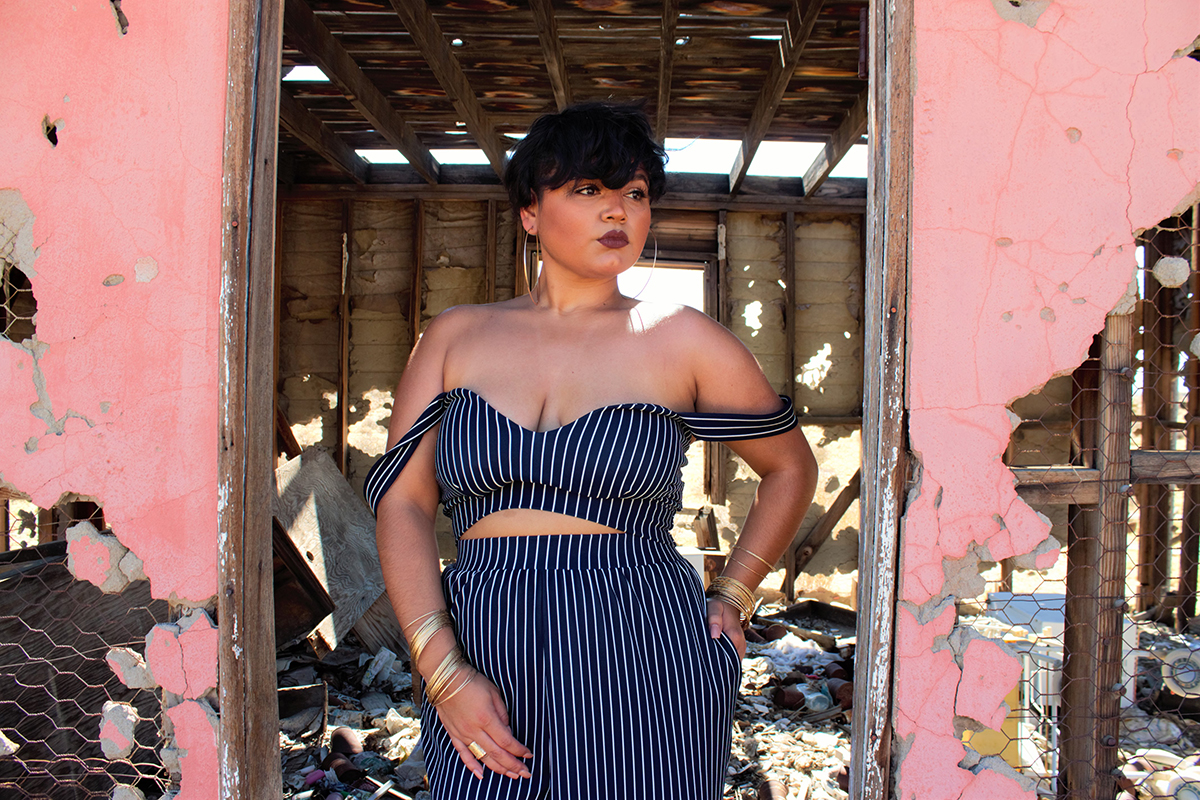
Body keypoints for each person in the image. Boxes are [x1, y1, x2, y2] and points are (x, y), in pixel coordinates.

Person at [366, 102, 817, 800]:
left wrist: (736, 591)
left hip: (642, 642)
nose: (619, 211)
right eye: (588, 189)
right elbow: (403, 504)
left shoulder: (682, 338)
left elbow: (790, 468)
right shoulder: (455, 337)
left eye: (635, 193)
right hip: (485, 637)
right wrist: (442, 670)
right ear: (530, 211)